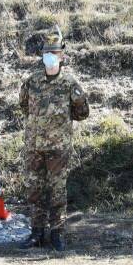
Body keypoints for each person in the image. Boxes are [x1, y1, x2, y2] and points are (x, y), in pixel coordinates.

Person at [18, 32, 89, 250]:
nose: (50, 56)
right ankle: (37, 233)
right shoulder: (31, 82)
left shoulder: (69, 84)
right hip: (34, 147)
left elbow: (82, 113)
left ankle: (57, 233)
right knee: (35, 191)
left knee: (57, 192)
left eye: (54, 52)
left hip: (58, 148)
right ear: (42, 56)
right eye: (46, 52)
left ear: (62, 57)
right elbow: (24, 107)